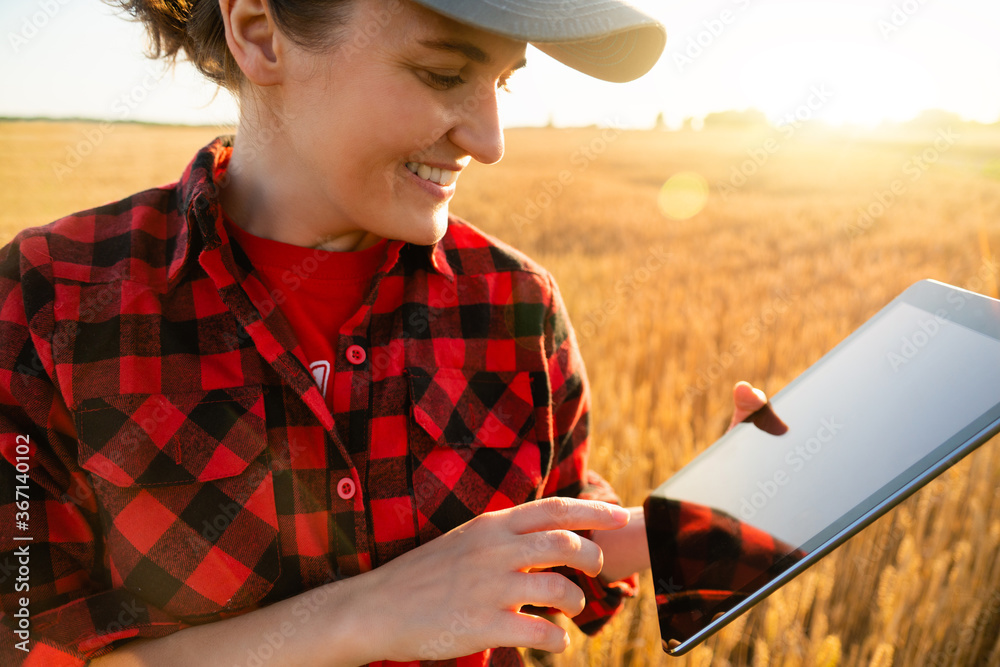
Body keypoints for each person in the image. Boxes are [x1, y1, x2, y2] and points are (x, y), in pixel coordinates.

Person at [0, 0, 775, 664]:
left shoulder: (517, 304)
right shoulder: (50, 300)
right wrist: (367, 612)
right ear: (260, 32)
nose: (490, 138)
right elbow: (25, 641)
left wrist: (714, 517)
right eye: (443, 74)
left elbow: (547, 555)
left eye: (502, 83)